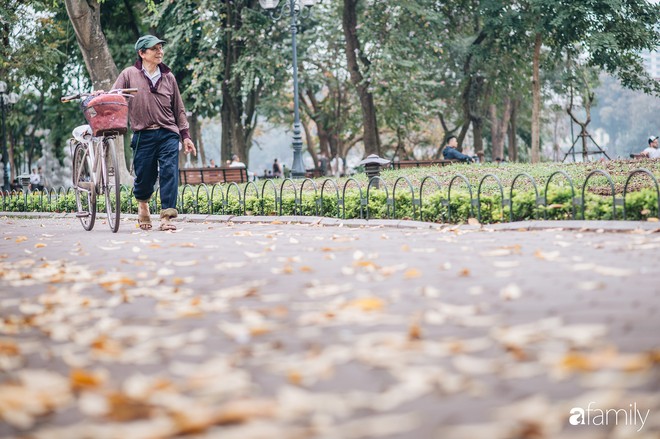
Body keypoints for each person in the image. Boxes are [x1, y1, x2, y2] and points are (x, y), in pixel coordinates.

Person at [112, 35, 196, 231]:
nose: (160, 52)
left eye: (160, 48)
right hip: (143, 134)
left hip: (168, 132)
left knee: (169, 171)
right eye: (154, 49)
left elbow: (179, 108)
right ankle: (143, 205)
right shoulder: (129, 74)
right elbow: (115, 96)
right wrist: (104, 96)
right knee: (144, 176)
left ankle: (167, 216)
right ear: (142, 53)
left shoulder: (169, 77)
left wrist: (186, 136)